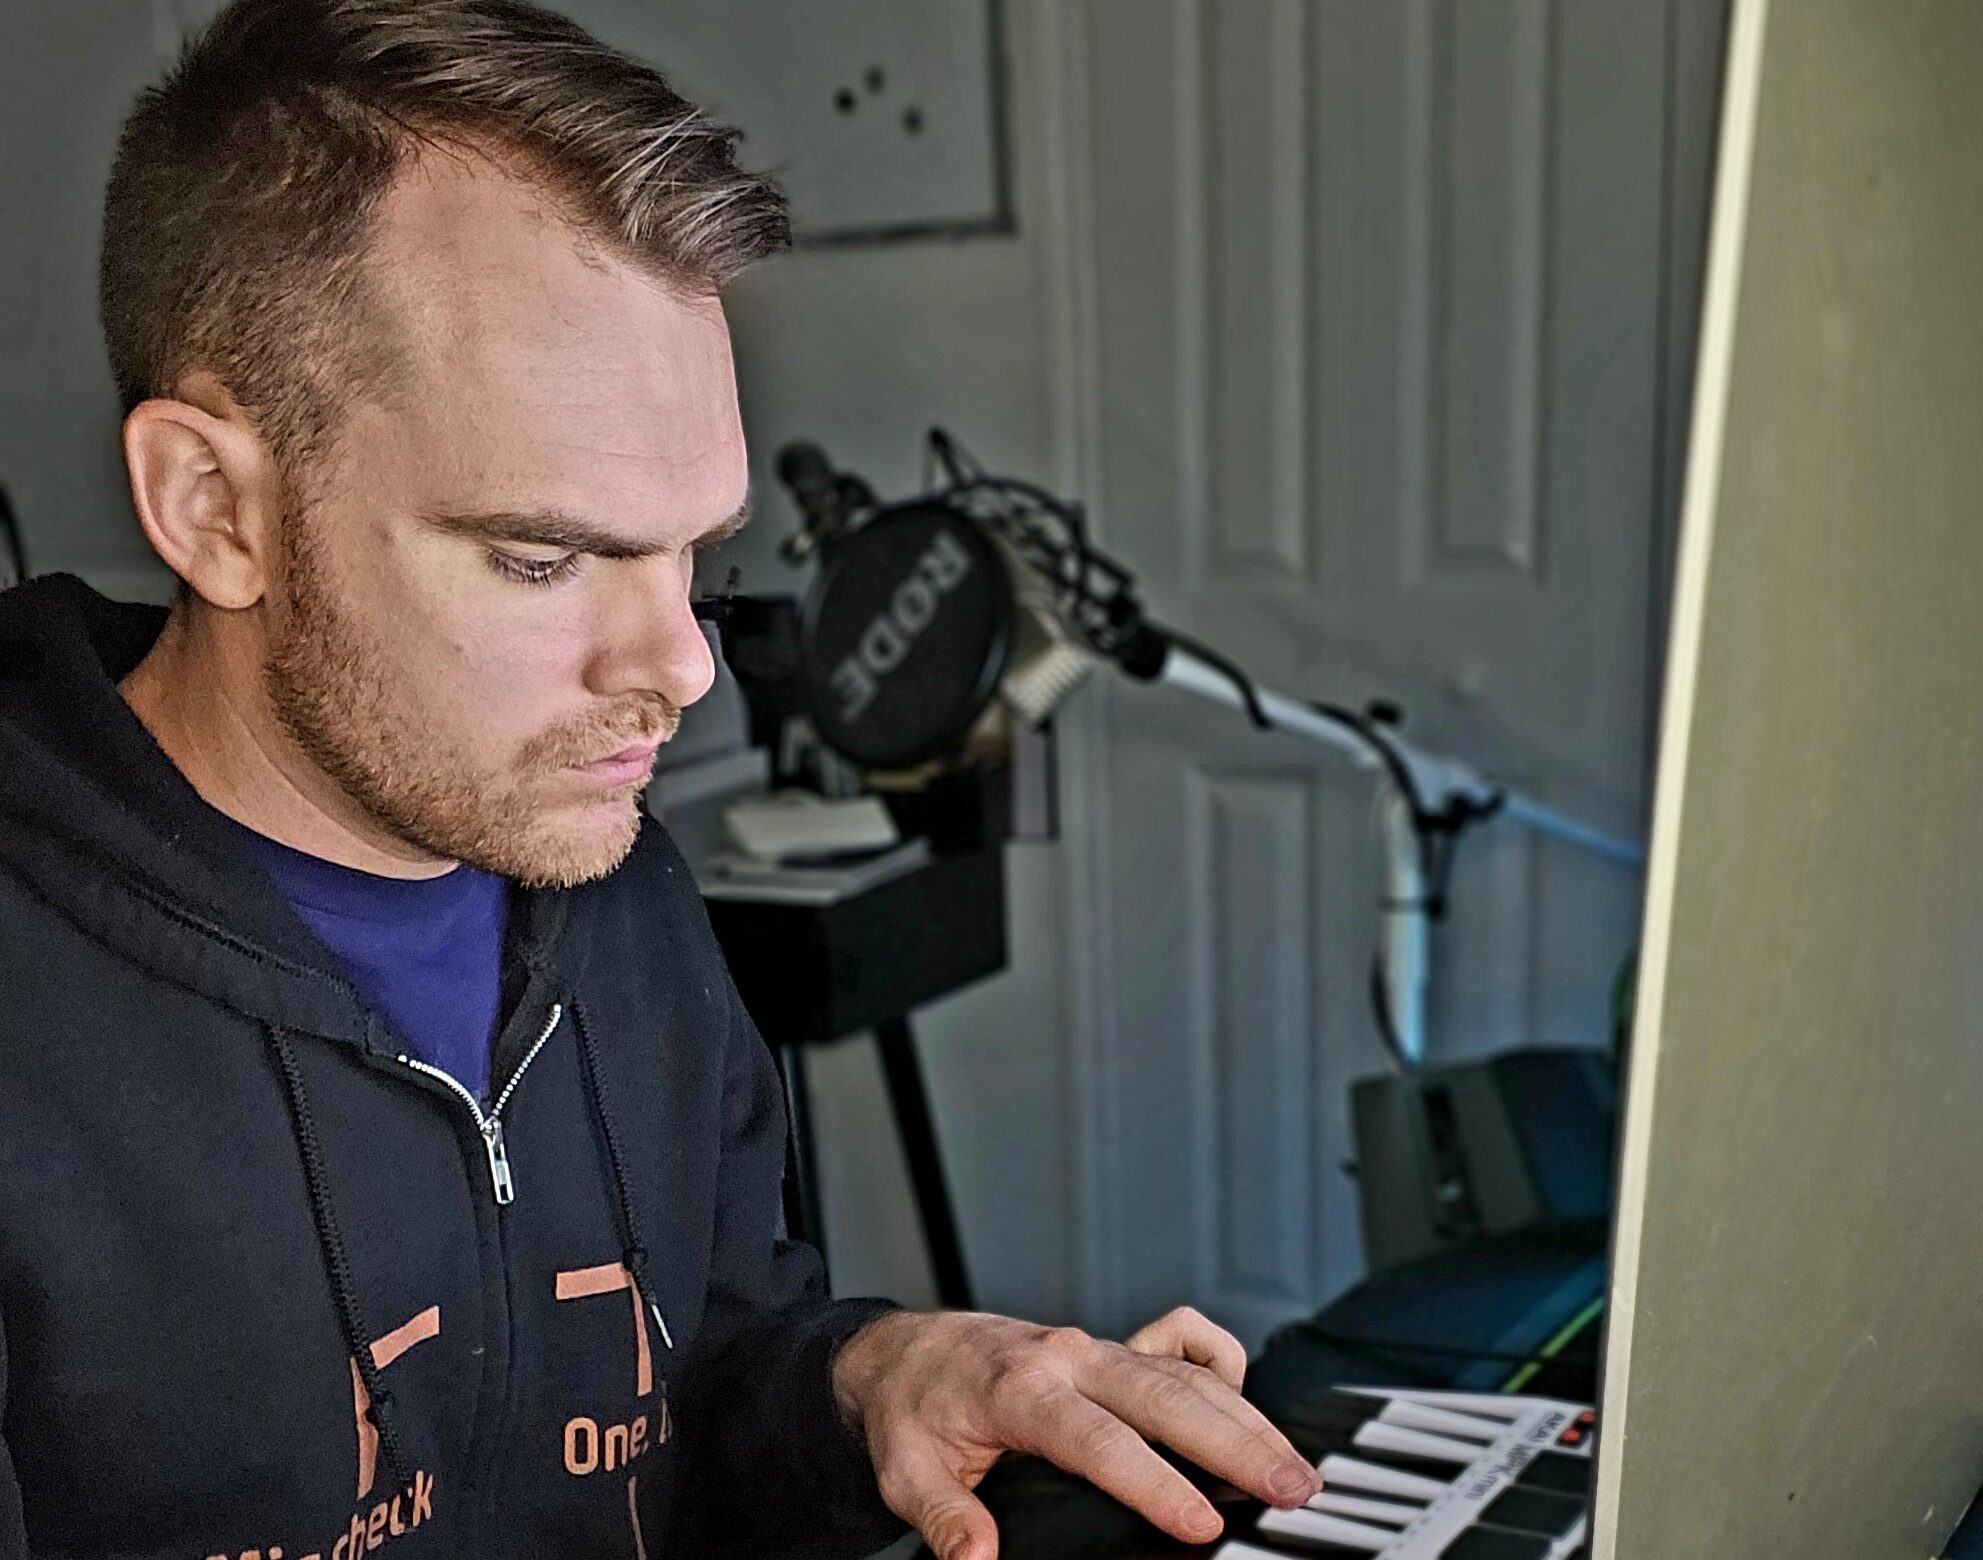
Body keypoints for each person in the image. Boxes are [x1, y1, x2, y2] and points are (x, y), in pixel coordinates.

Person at [0, 2, 1323, 1558]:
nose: (685, 666)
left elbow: (693, 1387)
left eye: (697, 554)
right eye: (544, 557)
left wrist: (871, 1382)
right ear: (215, 508)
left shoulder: (611, 893)